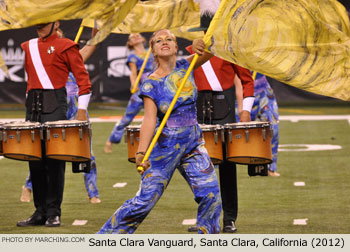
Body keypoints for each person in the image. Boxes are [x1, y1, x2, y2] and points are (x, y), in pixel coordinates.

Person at [98, 29, 222, 234]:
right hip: (165, 144)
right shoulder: (150, 82)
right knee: (145, 201)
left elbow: (214, 49)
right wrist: (141, 152)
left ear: (175, 46)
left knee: (211, 193)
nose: (164, 42)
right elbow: (148, 120)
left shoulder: (187, 65)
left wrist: (201, 42)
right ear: (153, 50)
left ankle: (206, 235)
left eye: (169, 39)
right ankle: (107, 237)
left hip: (193, 141)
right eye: (159, 41)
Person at [17, 21, 91, 227]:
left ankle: (53, 212)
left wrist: (82, 112)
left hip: (56, 107)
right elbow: (30, 80)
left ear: (56, 23)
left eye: (45, 21)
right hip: (32, 108)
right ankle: (39, 211)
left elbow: (83, 80)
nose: (39, 25)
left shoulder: (66, 45)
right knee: (35, 162)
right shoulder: (28, 46)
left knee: (55, 161)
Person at [186, 11, 255, 233]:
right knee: (198, 169)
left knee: (227, 167)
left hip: (225, 110)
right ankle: (207, 217)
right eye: (206, 31)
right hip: (197, 112)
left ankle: (229, 218)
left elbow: (247, 82)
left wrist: (245, 111)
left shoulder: (230, 52)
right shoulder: (190, 53)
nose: (209, 34)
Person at [104, 33, 154, 153]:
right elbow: (133, 73)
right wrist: (134, 84)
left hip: (155, 88)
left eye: (138, 35)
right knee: (127, 118)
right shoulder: (132, 57)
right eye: (132, 37)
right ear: (130, 43)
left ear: (143, 38)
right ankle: (110, 140)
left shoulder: (151, 51)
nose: (136, 37)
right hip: (141, 89)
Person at [235, 73, 280, 176]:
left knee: (273, 129)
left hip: (264, 92)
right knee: (239, 136)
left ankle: (270, 168)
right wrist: (242, 108)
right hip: (245, 96)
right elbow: (238, 82)